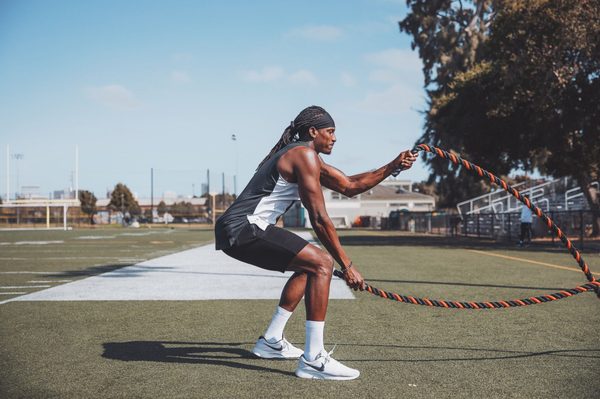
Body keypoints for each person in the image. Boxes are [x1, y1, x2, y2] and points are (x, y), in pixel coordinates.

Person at [214, 105, 417, 380]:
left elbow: (349, 185)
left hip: (238, 230)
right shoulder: (303, 155)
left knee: (307, 266)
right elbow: (319, 218)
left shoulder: (307, 157)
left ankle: (271, 340)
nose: (334, 138)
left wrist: (393, 166)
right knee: (322, 262)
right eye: (330, 131)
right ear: (313, 131)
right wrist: (347, 265)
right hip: (243, 228)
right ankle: (314, 359)